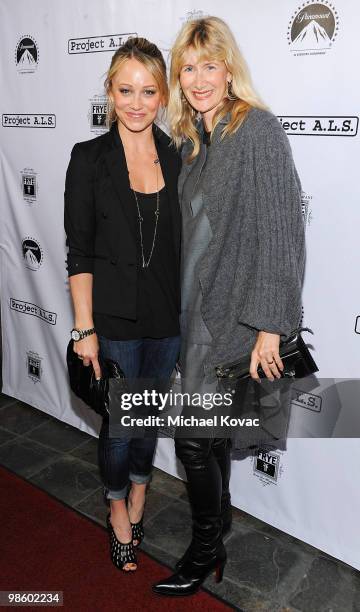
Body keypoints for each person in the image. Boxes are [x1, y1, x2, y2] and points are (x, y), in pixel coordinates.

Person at [152, 16, 305, 596]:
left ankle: (205, 546)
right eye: (187, 69)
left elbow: (282, 231)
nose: (197, 80)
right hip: (196, 316)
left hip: (235, 319)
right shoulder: (192, 140)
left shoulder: (256, 131)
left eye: (208, 66)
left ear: (228, 68)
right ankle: (220, 527)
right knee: (207, 436)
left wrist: (270, 325)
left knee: (191, 437)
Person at [64, 38, 181, 572]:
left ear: (163, 95)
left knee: (148, 417)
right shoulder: (88, 159)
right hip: (111, 321)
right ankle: (116, 507)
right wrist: (83, 328)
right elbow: (80, 251)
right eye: (125, 90)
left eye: (148, 91)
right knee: (117, 426)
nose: (137, 102)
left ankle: (139, 491)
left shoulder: (178, 158)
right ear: (109, 94)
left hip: (167, 319)